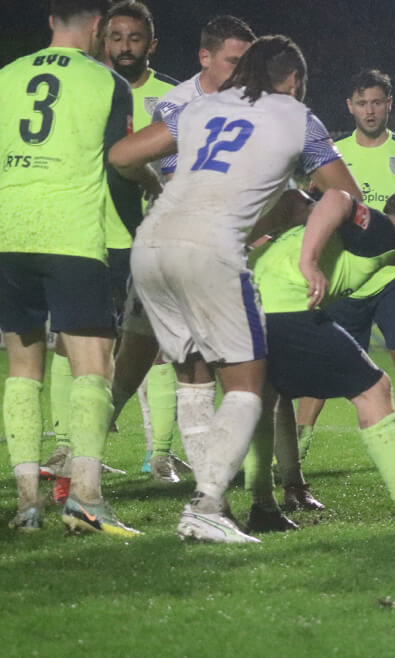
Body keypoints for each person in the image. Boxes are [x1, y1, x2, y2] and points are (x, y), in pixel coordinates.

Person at [109, 34, 361, 543]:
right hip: (211, 251)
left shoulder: (200, 108)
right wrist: (293, 218)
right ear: (293, 79)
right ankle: (206, 505)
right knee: (248, 385)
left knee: (194, 377)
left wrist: (156, 188)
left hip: (153, 246)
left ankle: (208, 505)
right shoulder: (298, 117)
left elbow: (122, 155)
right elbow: (347, 194)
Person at [248, 184, 395, 534]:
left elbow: (298, 203)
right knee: (375, 389)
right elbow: (337, 198)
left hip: (251, 303)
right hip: (285, 305)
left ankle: (262, 508)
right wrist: (308, 261)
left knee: (266, 398)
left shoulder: (369, 242)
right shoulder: (382, 231)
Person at [0, 0, 146, 536]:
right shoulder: (107, 82)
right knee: (91, 364)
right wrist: (134, 229)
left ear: (49, 22)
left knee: (22, 369)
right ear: (98, 26)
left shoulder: (7, 77)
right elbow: (118, 163)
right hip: (72, 234)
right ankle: (85, 499)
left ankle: (26, 506)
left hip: (9, 233)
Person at [107, 14, 257, 485]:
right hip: (173, 242)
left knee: (208, 359)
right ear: (205, 58)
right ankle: (87, 445)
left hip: (221, 247)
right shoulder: (178, 105)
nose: (241, 72)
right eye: (234, 62)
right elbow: (174, 174)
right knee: (136, 356)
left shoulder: (256, 101)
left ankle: (198, 468)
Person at [39, 0, 181, 496]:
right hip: (91, 236)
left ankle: (159, 455)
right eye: (116, 36)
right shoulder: (85, 87)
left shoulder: (173, 97)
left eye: (134, 38)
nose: (123, 47)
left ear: (151, 45)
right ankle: (64, 445)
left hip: (154, 237)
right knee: (73, 341)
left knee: (156, 345)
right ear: (103, 37)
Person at [295, 69, 395, 471]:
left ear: (389, 104)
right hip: (345, 279)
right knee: (323, 365)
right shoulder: (333, 153)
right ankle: (297, 448)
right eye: (362, 103)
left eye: (377, 102)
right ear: (350, 107)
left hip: (392, 278)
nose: (370, 110)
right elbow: (307, 206)